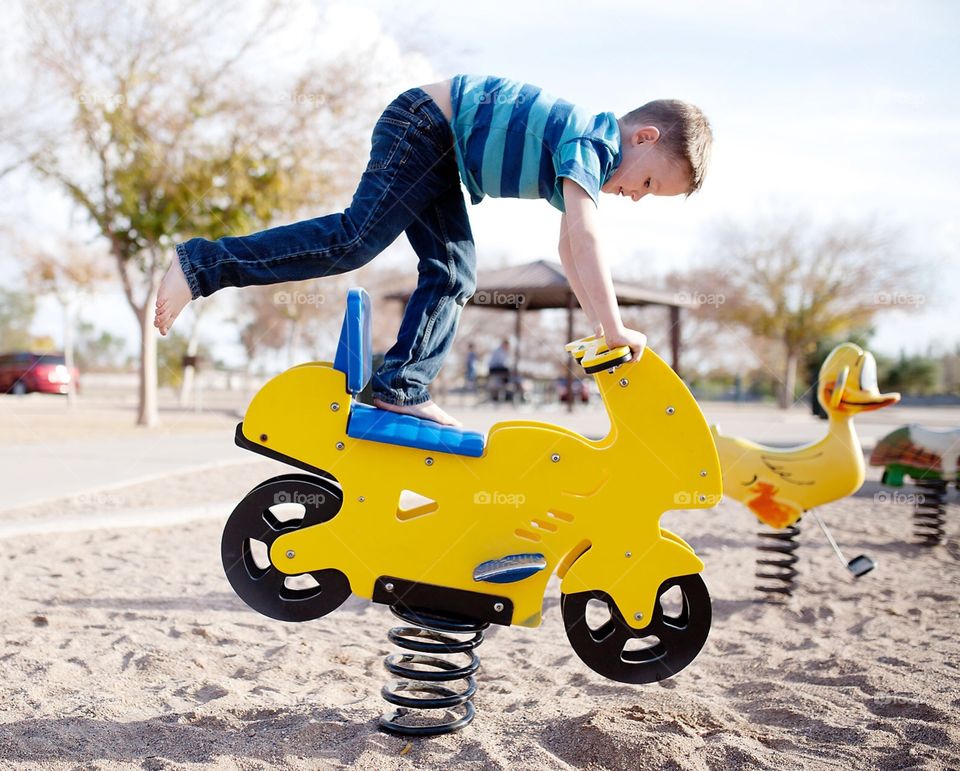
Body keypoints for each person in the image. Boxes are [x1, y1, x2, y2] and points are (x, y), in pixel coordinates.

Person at [154, 75, 712, 427]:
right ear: (644, 139)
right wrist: (616, 330)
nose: (636, 197)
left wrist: (598, 327)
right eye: (648, 185)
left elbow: (568, 248)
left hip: (444, 150)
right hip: (424, 126)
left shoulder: (592, 150)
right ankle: (200, 264)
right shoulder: (594, 140)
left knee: (453, 275)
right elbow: (587, 236)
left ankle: (401, 385)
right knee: (355, 239)